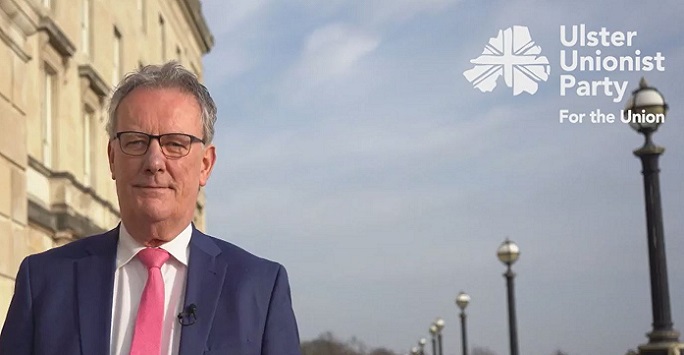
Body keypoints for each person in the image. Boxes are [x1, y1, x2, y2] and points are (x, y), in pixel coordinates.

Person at [0, 62, 302, 355]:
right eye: (135, 142)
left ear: (206, 165)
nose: (154, 162)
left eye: (175, 144)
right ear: (112, 157)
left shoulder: (260, 290)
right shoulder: (43, 281)